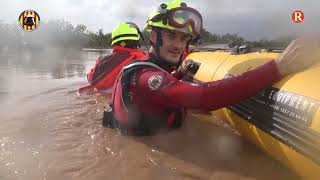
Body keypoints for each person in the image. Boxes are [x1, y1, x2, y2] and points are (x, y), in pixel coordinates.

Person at [103, 0, 320, 135]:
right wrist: (278, 67)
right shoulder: (146, 78)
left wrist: (180, 74)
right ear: (153, 36)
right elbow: (205, 97)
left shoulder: (142, 68)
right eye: (171, 36)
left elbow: (158, 93)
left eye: (184, 38)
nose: (178, 45)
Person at [79, 22, 147, 94]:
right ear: (136, 41)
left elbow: (90, 77)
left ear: (114, 42)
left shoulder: (102, 61)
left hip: (98, 94)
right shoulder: (142, 58)